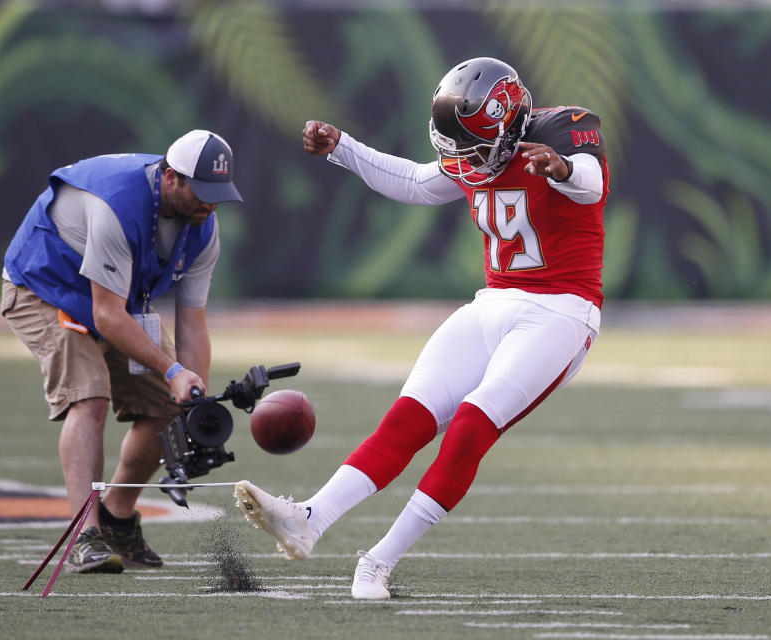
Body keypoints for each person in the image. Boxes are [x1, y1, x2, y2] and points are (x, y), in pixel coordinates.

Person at [234, 57, 608, 599]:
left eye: (475, 148)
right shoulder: (475, 148)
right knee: (407, 419)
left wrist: (565, 170)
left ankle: (378, 562)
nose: (463, 160)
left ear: (510, 128)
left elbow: (592, 186)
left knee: (470, 429)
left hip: (560, 311)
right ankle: (309, 519)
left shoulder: (561, 133)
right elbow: (414, 181)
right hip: (493, 302)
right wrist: (343, 146)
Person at [2, 130, 243, 573]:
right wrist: (173, 369)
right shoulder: (118, 205)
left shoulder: (203, 230)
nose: (210, 205)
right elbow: (107, 315)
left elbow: (193, 323)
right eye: (203, 192)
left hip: (114, 299)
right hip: (47, 287)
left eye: (218, 195)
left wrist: (196, 402)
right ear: (171, 178)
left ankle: (115, 516)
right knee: (89, 394)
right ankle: (85, 535)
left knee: (169, 406)